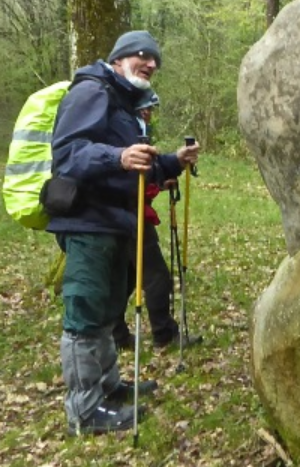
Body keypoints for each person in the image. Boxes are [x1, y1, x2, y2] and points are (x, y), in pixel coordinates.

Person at [46, 30, 200, 435]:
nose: (150, 63)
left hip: (117, 223)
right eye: (141, 55)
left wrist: (172, 161)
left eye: (154, 61)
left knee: (105, 312)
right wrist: (117, 156)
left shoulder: (124, 103)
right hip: (88, 223)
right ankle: (84, 411)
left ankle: (110, 387)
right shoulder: (92, 92)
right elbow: (67, 155)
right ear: (118, 59)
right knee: (84, 317)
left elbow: (138, 169)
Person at [113, 88, 203, 351]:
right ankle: (164, 334)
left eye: (150, 110)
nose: (149, 115)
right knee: (156, 276)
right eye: (145, 110)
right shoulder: (127, 136)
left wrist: (161, 181)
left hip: (125, 214)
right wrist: (156, 183)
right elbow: (131, 181)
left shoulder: (127, 133)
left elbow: (144, 177)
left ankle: (116, 335)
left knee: (127, 278)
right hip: (131, 216)